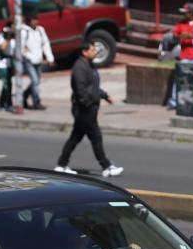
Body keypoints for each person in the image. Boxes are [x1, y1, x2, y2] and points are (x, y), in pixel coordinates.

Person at [55, 42, 124, 177]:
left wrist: (104, 95)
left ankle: (61, 164)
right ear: (84, 52)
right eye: (93, 50)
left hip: (87, 107)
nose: (96, 52)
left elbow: (92, 87)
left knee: (75, 137)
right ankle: (107, 166)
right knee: (96, 137)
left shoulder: (88, 65)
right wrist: (88, 105)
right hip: (84, 109)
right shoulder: (79, 68)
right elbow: (81, 90)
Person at [14, 13, 54, 111]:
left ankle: (24, 95)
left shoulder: (40, 30)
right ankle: (36, 102)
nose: (35, 22)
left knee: (36, 82)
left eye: (36, 19)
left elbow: (46, 44)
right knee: (35, 81)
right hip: (29, 61)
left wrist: (50, 58)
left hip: (38, 60)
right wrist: (28, 55)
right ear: (28, 21)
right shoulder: (24, 32)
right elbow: (20, 48)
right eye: (33, 20)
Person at [0, 25, 19, 113]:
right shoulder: (1, 36)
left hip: (10, 64)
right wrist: (8, 37)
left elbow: (15, 51)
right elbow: (3, 47)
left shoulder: (15, 37)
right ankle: (9, 105)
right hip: (2, 65)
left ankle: (2, 105)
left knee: (7, 85)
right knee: (7, 85)